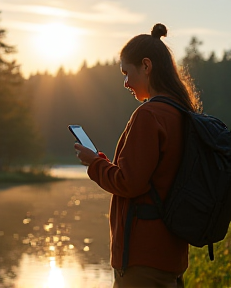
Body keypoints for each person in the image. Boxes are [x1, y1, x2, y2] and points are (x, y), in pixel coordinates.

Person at [74, 23, 202, 288]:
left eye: (126, 72)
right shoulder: (183, 114)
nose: (125, 83)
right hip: (171, 256)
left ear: (146, 66)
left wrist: (94, 165)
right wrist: (103, 163)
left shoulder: (149, 115)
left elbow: (128, 183)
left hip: (142, 261)